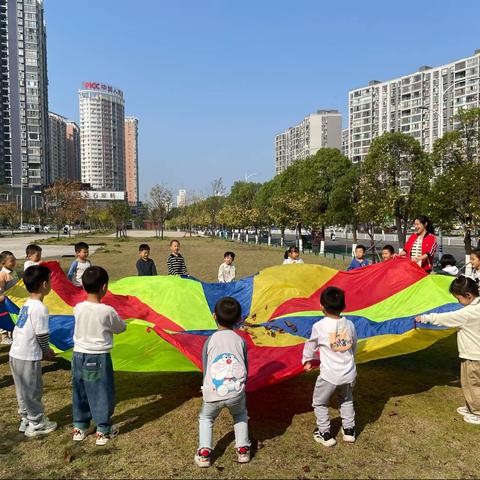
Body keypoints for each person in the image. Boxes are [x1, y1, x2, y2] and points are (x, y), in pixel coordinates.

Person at [72, 266, 127, 445]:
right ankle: (103, 430)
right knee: (101, 392)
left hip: (78, 356)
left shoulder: (78, 307)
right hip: (98, 358)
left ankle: (79, 427)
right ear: (104, 287)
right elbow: (120, 327)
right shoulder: (106, 311)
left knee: (80, 391)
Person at [416, 277, 480, 425]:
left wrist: (425, 318)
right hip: (476, 355)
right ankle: (471, 406)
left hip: (473, 356)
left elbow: (447, 318)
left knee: (472, 384)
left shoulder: (468, 313)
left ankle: (477, 412)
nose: (458, 302)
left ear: (468, 296)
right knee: (470, 383)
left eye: (458, 298)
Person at [195, 297, 250, 467]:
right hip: (236, 392)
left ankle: (204, 453)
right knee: (240, 415)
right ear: (239, 320)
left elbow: (206, 368)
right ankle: (243, 450)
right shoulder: (240, 341)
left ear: (214, 316)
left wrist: (205, 386)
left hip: (213, 392)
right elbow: (244, 366)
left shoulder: (210, 340)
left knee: (206, 418)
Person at [303, 286, 357, 446]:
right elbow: (354, 345)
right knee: (346, 399)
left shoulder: (320, 326)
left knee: (320, 402)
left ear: (321, 307)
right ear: (343, 306)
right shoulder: (350, 325)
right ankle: (349, 430)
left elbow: (311, 345)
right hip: (348, 373)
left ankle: (325, 433)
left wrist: (307, 360)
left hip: (329, 376)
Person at [9, 265, 57, 437]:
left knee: (22, 389)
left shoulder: (27, 304)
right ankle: (36, 423)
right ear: (44, 285)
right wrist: (46, 350)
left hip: (15, 353)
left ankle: (26, 418)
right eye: (50, 281)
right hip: (27, 356)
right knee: (32, 390)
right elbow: (42, 334)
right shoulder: (40, 308)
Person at [0, 250, 19, 344]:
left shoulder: (13, 272)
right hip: (4, 302)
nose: (14, 262)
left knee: (12, 318)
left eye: (14, 259)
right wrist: (3, 298)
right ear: (3, 263)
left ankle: (12, 335)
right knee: (4, 318)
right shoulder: (2, 275)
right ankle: (4, 337)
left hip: (14, 301)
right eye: (12, 261)